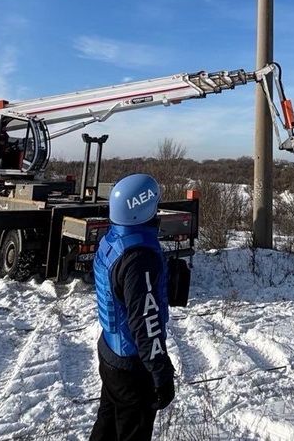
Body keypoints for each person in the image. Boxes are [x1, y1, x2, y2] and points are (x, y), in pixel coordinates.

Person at [90, 174, 175, 441]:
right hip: (132, 366)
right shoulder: (139, 257)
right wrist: (160, 372)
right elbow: (145, 321)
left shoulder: (113, 241)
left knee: (106, 428)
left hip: (110, 353)